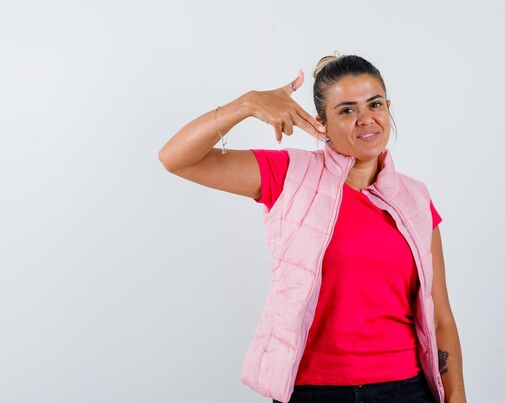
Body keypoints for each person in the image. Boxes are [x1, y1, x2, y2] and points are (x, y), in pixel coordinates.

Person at [158, 53, 467, 403]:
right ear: (321, 123)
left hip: (406, 391)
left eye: (374, 104)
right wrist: (246, 104)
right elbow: (176, 158)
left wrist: (456, 396)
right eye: (347, 110)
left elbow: (440, 316)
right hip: (312, 392)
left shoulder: (415, 199)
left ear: (388, 107)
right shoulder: (289, 173)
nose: (366, 119)